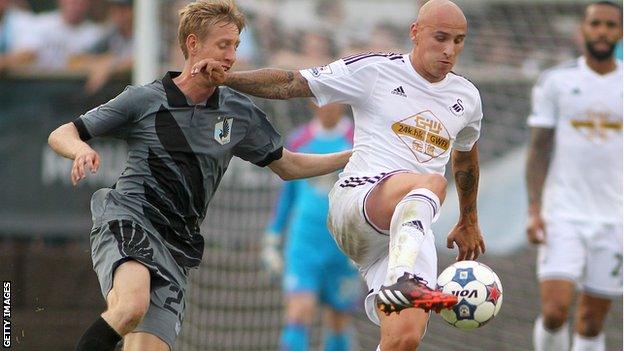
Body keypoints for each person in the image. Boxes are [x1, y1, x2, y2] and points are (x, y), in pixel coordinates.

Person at [47, 1, 351, 351]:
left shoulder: (238, 111)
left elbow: (289, 165)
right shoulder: (144, 99)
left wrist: (351, 157)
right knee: (130, 307)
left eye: (235, 46)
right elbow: (62, 133)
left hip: (178, 245)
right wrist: (81, 149)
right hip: (130, 219)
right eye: (223, 45)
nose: (232, 56)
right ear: (193, 45)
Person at [193, 0, 486, 349]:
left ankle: (401, 277)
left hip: (406, 232)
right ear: (415, 33)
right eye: (440, 38)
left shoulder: (467, 97)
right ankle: (403, 277)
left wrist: (468, 219)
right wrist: (229, 79)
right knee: (431, 183)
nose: (449, 50)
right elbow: (290, 83)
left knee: (404, 337)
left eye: (458, 40)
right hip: (358, 204)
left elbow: (465, 159)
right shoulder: (375, 71)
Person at [525, 2, 623, 351]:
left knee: (592, 321)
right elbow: (538, 149)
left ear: (620, 32)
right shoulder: (557, 81)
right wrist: (535, 209)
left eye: (610, 25)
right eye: (595, 24)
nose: (602, 31)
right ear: (583, 30)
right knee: (555, 310)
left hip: (614, 219)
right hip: (562, 214)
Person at [262, 103, 360, 351]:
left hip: (343, 246)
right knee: (298, 312)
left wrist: (367, 241)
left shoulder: (358, 139)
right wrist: (273, 237)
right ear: (313, 103)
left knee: (338, 321)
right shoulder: (299, 139)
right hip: (304, 243)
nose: (328, 106)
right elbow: (288, 194)